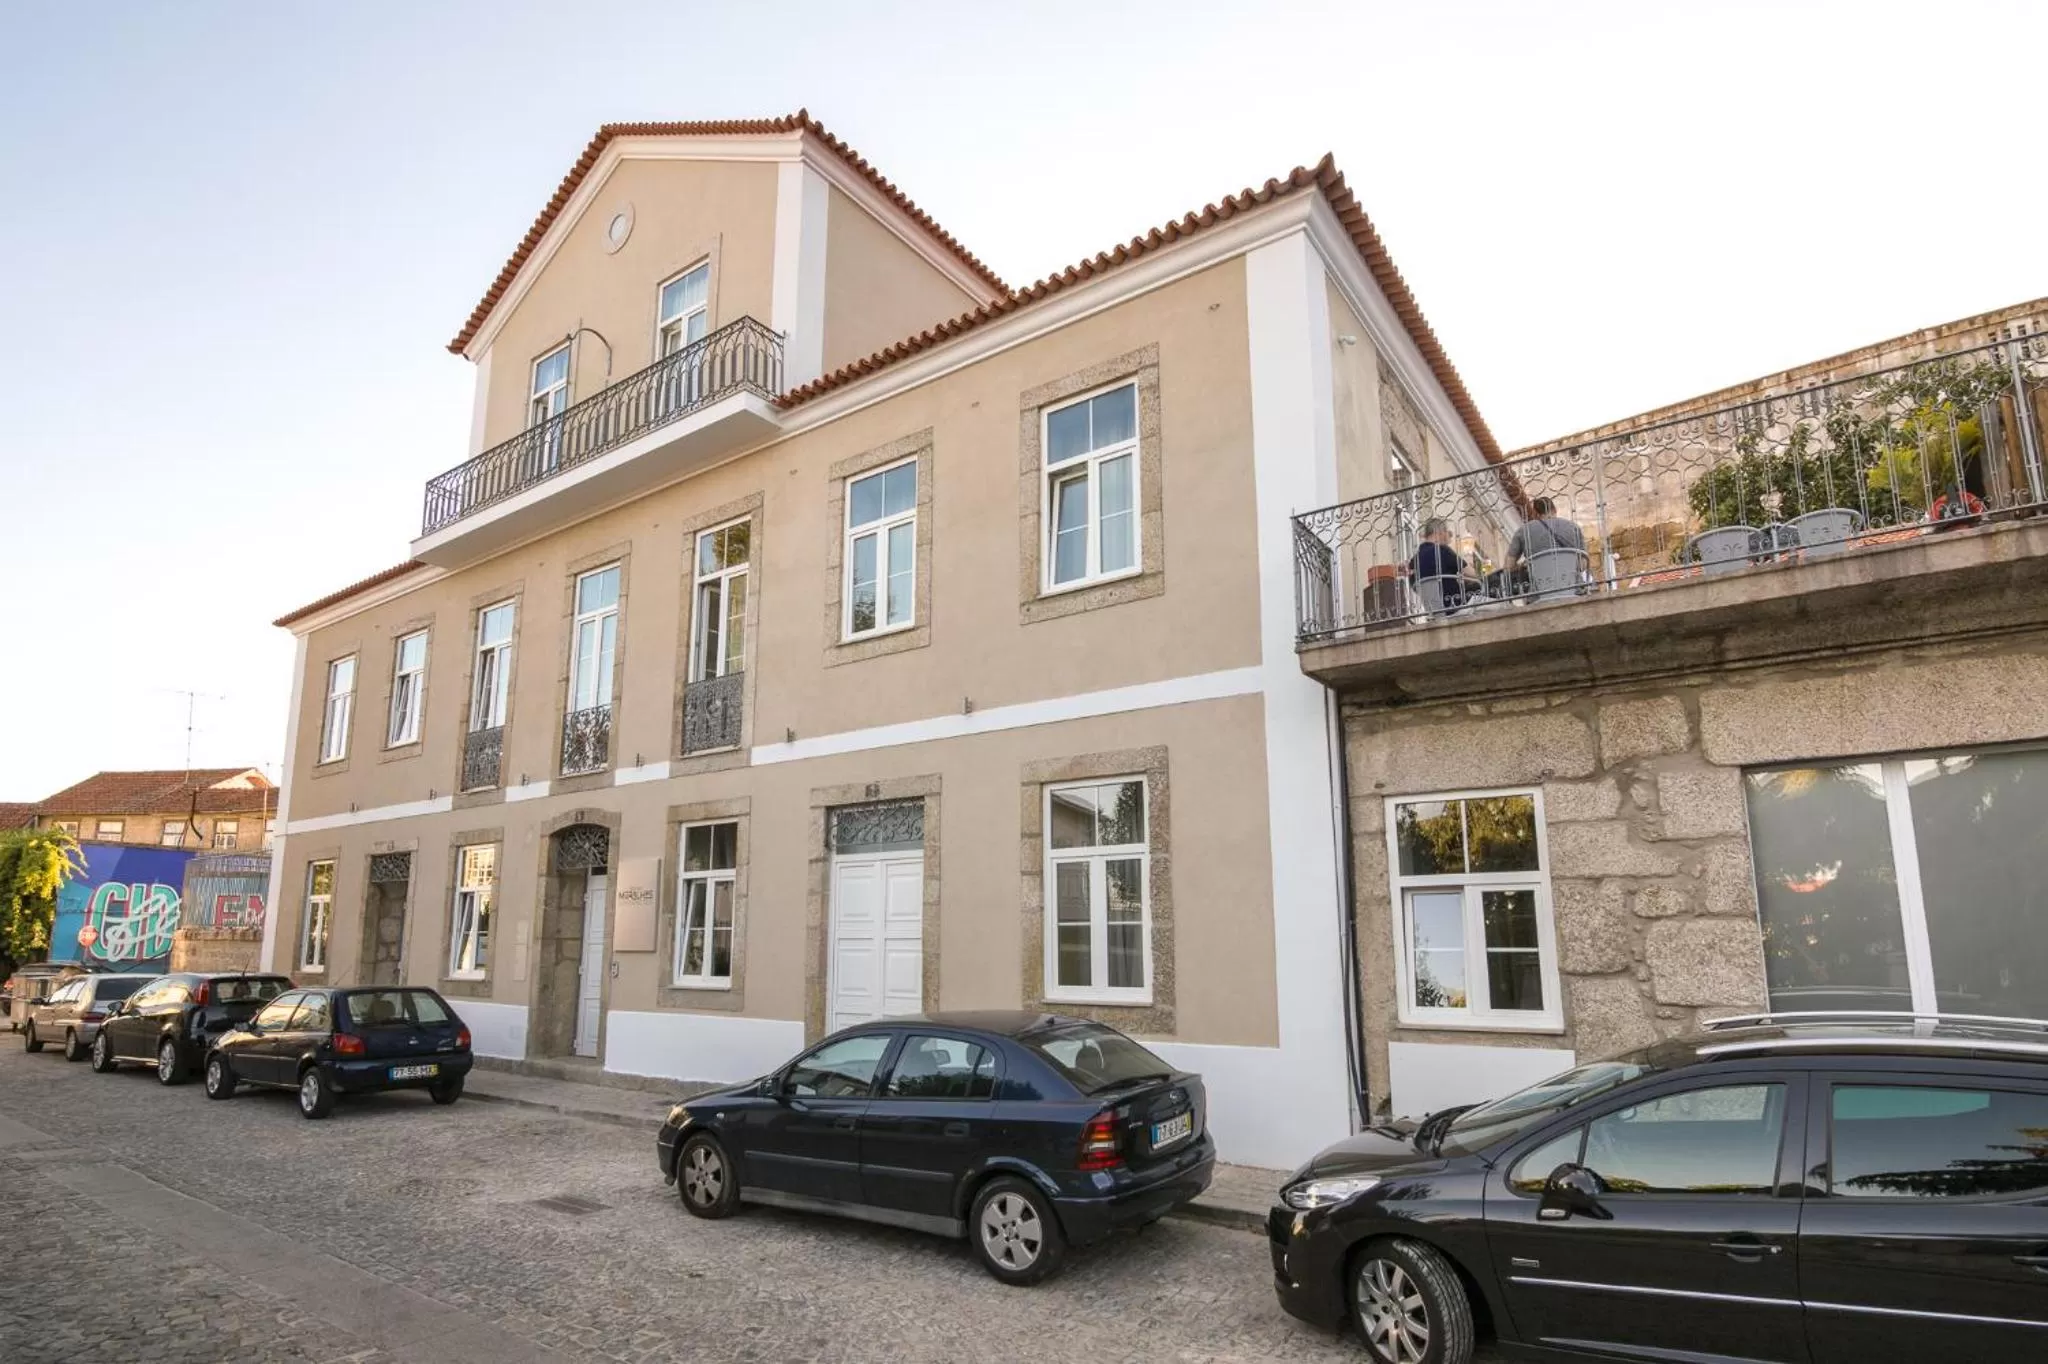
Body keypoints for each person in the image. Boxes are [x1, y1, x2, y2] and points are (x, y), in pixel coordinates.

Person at [1504, 497, 1587, 586]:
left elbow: (1508, 567)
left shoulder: (1523, 531)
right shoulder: (1573, 527)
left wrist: (1524, 567)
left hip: (1539, 592)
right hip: (1572, 588)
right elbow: (1583, 564)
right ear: (1554, 509)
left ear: (1535, 514)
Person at [1407, 517, 1469, 612]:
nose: (1449, 537)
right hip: (1458, 606)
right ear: (1439, 532)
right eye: (1448, 533)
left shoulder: (1413, 562)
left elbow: (1416, 587)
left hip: (1434, 612)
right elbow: (1472, 574)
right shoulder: (1442, 550)